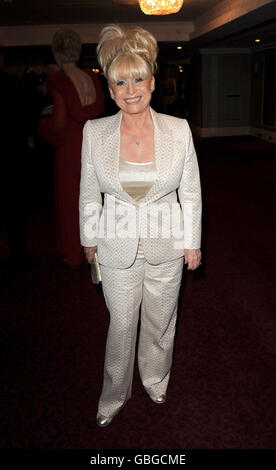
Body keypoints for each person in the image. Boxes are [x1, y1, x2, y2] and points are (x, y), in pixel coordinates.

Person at [79, 24, 202, 427]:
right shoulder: (94, 132)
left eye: (137, 79)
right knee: (122, 324)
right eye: (120, 82)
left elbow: (191, 192)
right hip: (115, 245)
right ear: (110, 89)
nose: (130, 89)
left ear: (152, 80)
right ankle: (114, 394)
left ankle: (155, 378)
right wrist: (89, 239)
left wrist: (192, 242)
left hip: (167, 242)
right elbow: (88, 192)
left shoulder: (178, 130)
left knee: (161, 320)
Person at [38, 29, 104, 267]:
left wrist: (41, 124)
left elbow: (58, 124)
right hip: (91, 143)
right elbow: (86, 112)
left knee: (70, 200)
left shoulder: (57, 80)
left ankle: (74, 254)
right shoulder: (92, 77)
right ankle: (96, 247)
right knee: (93, 197)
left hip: (69, 147)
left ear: (56, 51)